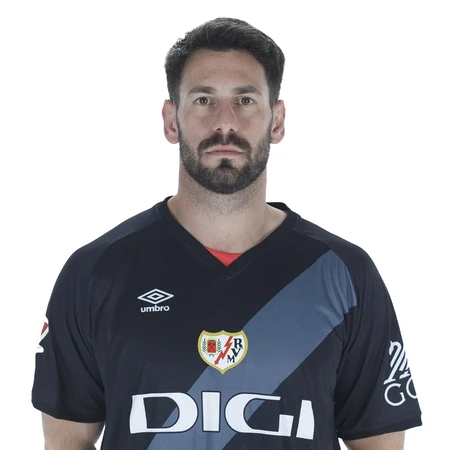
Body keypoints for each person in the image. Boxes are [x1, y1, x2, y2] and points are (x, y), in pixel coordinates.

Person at [32, 17, 422, 450]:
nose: (225, 122)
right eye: (203, 100)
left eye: (245, 100)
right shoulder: (96, 272)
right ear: (171, 121)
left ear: (277, 121)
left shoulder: (344, 275)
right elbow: (67, 441)